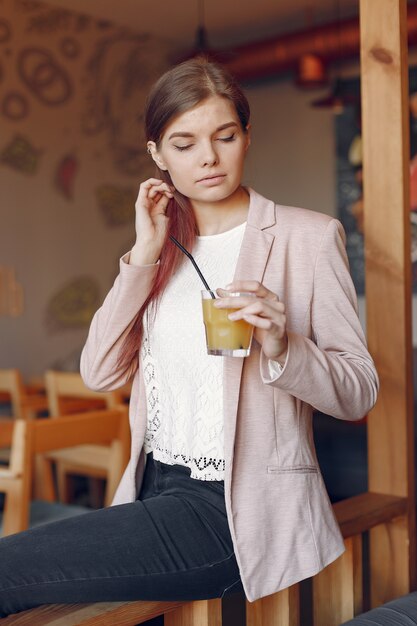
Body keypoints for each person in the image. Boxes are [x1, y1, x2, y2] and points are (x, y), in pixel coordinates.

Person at [0, 57, 378, 617]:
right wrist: (141, 257)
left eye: (225, 136)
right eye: (184, 143)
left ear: (247, 137)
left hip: (233, 509)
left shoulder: (309, 237)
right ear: (157, 154)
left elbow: (361, 390)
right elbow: (99, 372)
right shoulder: (159, 248)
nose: (208, 157)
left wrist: (283, 345)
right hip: (150, 487)